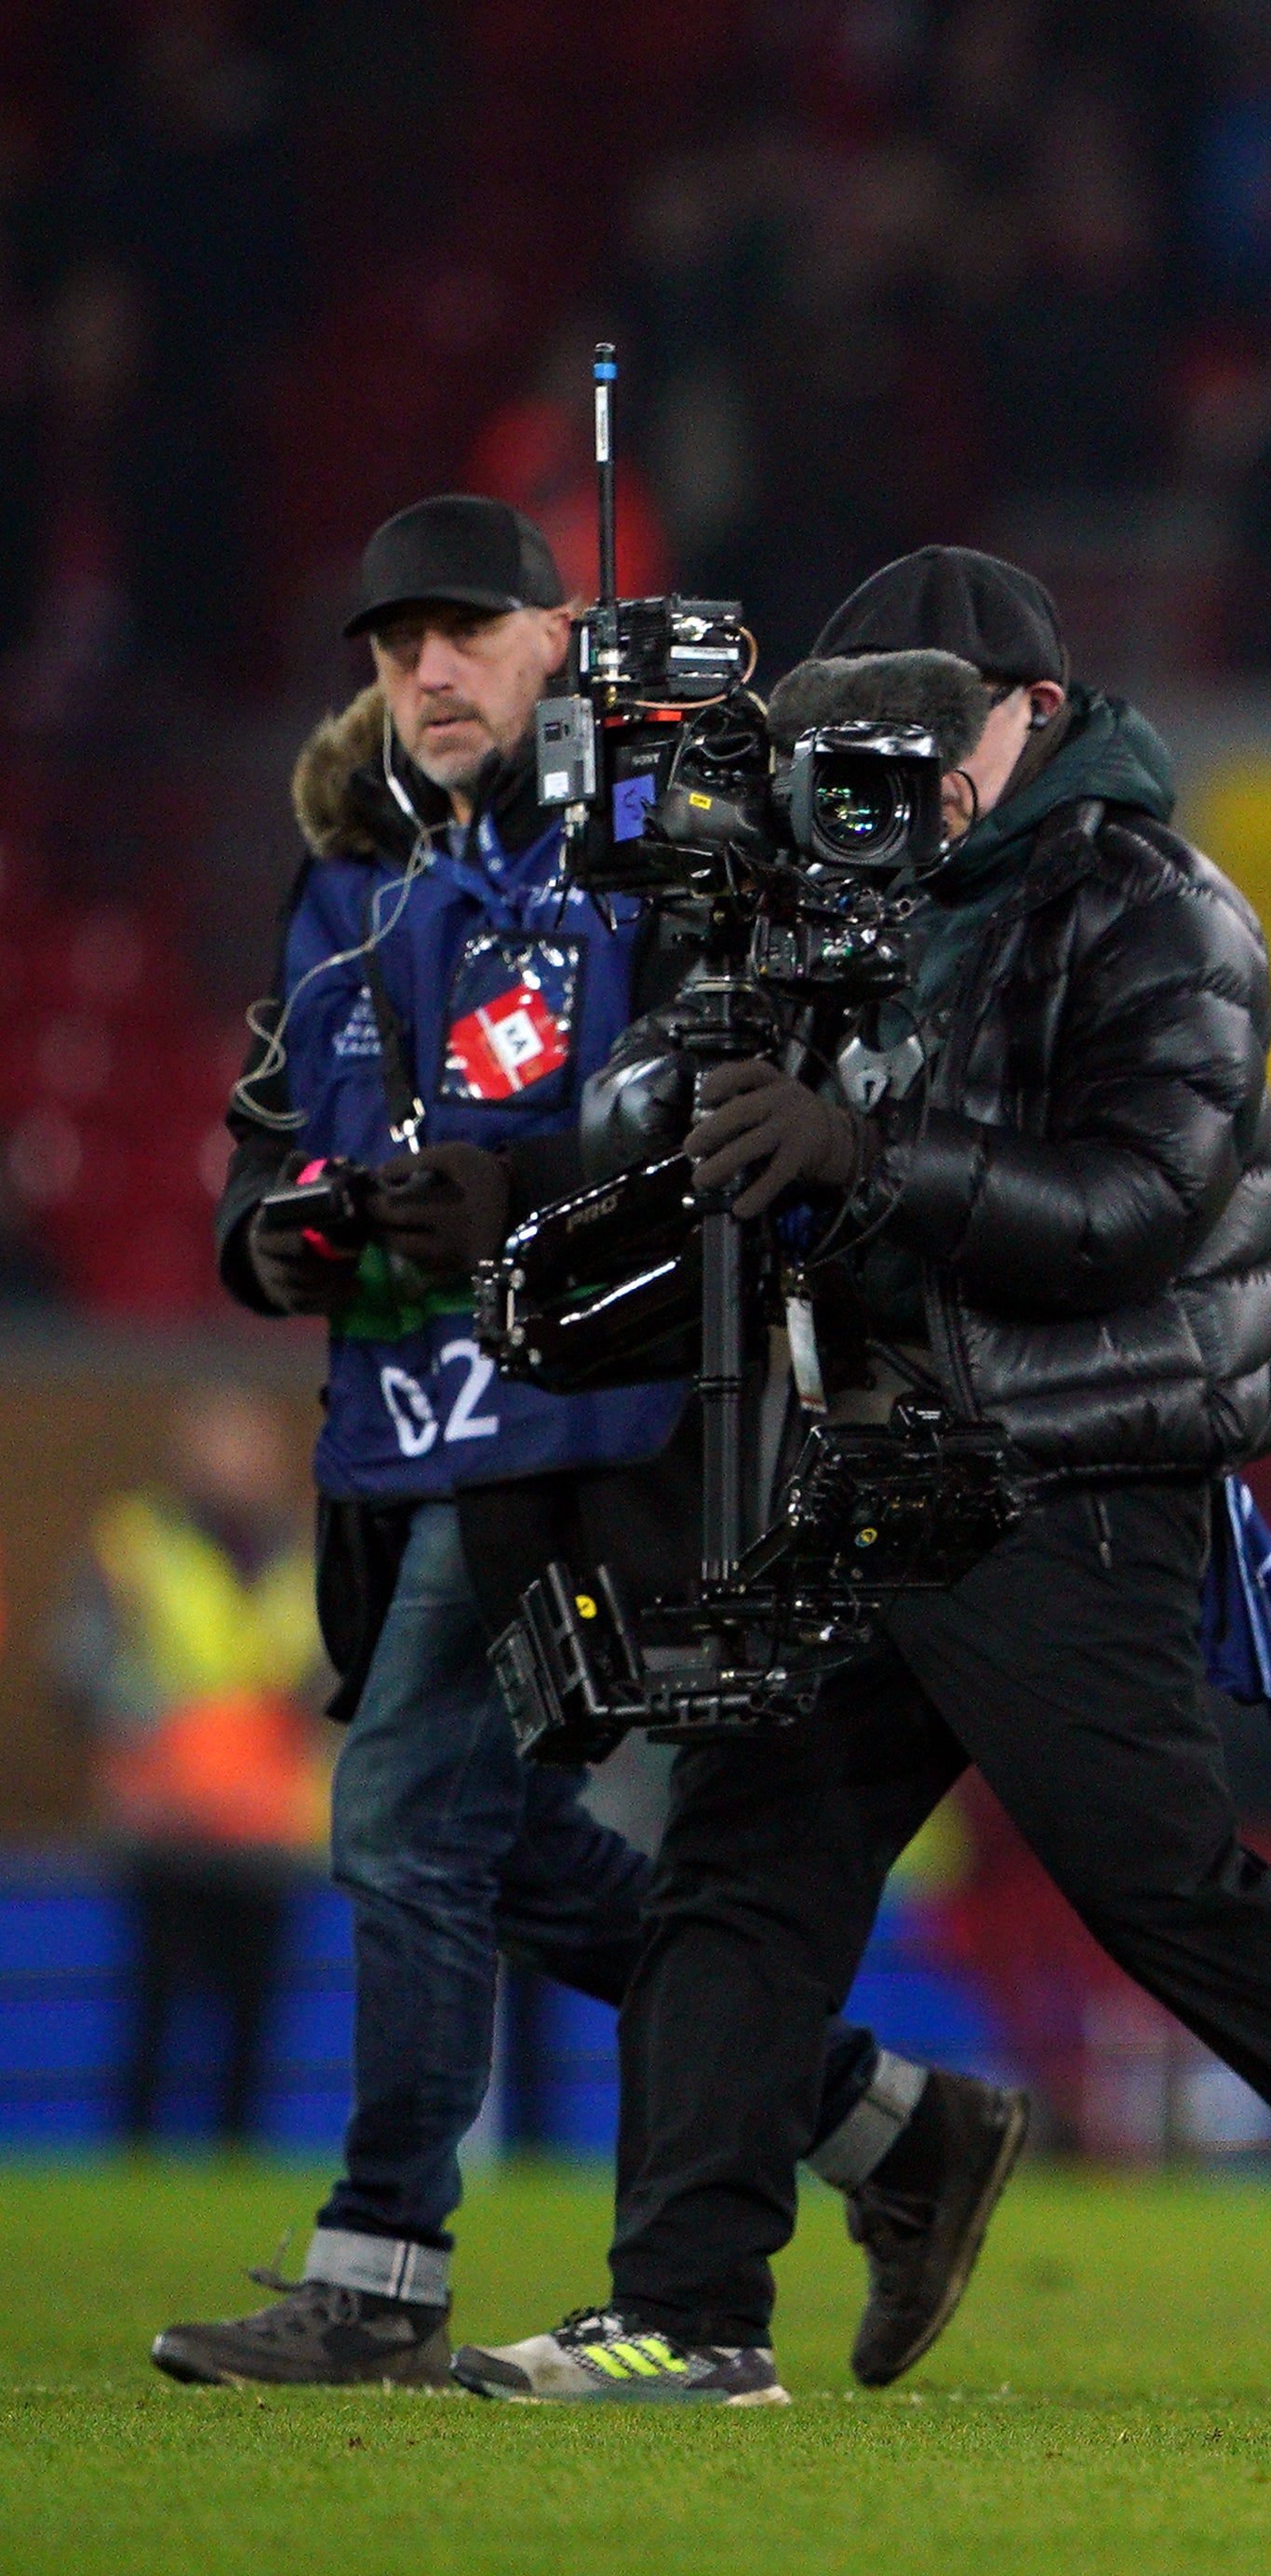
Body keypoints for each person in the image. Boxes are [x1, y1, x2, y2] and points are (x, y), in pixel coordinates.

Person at [457, 547, 1271, 2406]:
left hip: (1070, 1468)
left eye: (922, 729)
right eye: (852, 733)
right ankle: (690, 2314)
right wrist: (667, 1083)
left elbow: (1129, 1215)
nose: (886, 770)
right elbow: (657, 1114)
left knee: (1161, 1886)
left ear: (1036, 715)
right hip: (852, 1459)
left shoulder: (1158, 907)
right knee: (740, 1859)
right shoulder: (820, 900)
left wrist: (863, 1154)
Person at [155, 498, 993, 2394]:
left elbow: (698, 1117)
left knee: (396, 1811)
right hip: (393, 1438)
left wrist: (515, 1194)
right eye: (391, 646)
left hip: (572, 1424)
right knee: (499, 1840)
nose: (426, 671)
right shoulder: (358, 894)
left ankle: (379, 2264)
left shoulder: (645, 869)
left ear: (561, 637)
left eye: (464, 630)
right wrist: (278, 1232)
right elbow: (264, 1146)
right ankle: (882, 2120)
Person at [70, 1389, 325, 2149]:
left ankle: (233, 2174)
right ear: (184, 1454)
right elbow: (79, 1662)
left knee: (253, 2029)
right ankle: (136, 2170)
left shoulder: (305, 1555)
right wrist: (145, 1743)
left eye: (248, 1446)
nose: (233, 1463)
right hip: (164, 1826)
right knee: (154, 2017)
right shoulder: (133, 1543)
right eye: (217, 1443)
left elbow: (333, 1678)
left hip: (266, 1828)